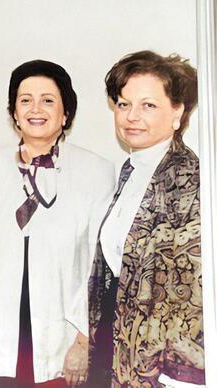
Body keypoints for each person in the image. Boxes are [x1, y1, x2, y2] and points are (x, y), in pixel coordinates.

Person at [0, 60, 115, 387]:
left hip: (63, 328)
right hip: (2, 323)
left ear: (65, 113)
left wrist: (83, 339)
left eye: (48, 100)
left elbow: (99, 265)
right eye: (25, 100)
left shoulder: (95, 170)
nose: (35, 109)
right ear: (14, 112)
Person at [88, 50, 204, 387]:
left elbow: (189, 294)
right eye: (124, 104)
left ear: (178, 112)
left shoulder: (189, 178)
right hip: (118, 346)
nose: (131, 116)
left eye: (148, 105)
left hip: (161, 369)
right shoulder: (132, 168)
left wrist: (177, 376)